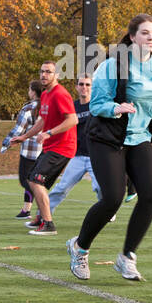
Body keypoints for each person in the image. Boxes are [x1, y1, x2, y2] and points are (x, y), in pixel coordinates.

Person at [66, 15, 152, 282]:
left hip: (138, 137)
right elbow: (96, 105)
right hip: (107, 137)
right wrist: (116, 108)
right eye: (145, 33)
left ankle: (127, 257)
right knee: (112, 198)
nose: (151, 37)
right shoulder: (113, 65)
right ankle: (79, 247)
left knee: (151, 195)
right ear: (132, 37)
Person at [11, 62, 79, 237]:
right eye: (42, 71)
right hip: (51, 147)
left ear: (56, 75)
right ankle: (41, 218)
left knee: (36, 180)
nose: (44, 75)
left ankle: (48, 224)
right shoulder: (46, 94)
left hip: (63, 147)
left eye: (48, 72)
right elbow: (42, 120)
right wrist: (24, 137)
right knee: (32, 179)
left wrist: (49, 133)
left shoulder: (60, 94)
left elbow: (72, 120)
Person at [47, 74, 105, 217]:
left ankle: (107, 211)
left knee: (100, 188)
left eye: (87, 84)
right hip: (77, 156)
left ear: (92, 87)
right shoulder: (72, 107)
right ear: (76, 87)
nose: (84, 87)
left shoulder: (99, 106)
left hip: (96, 156)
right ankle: (43, 215)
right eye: (81, 84)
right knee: (61, 188)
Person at [0, 81, 41, 219]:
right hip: (44, 151)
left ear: (33, 91)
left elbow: (18, 130)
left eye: (29, 89)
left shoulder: (29, 109)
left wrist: (6, 142)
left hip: (29, 151)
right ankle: (26, 210)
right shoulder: (47, 106)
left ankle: (43, 209)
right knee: (33, 181)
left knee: (27, 181)